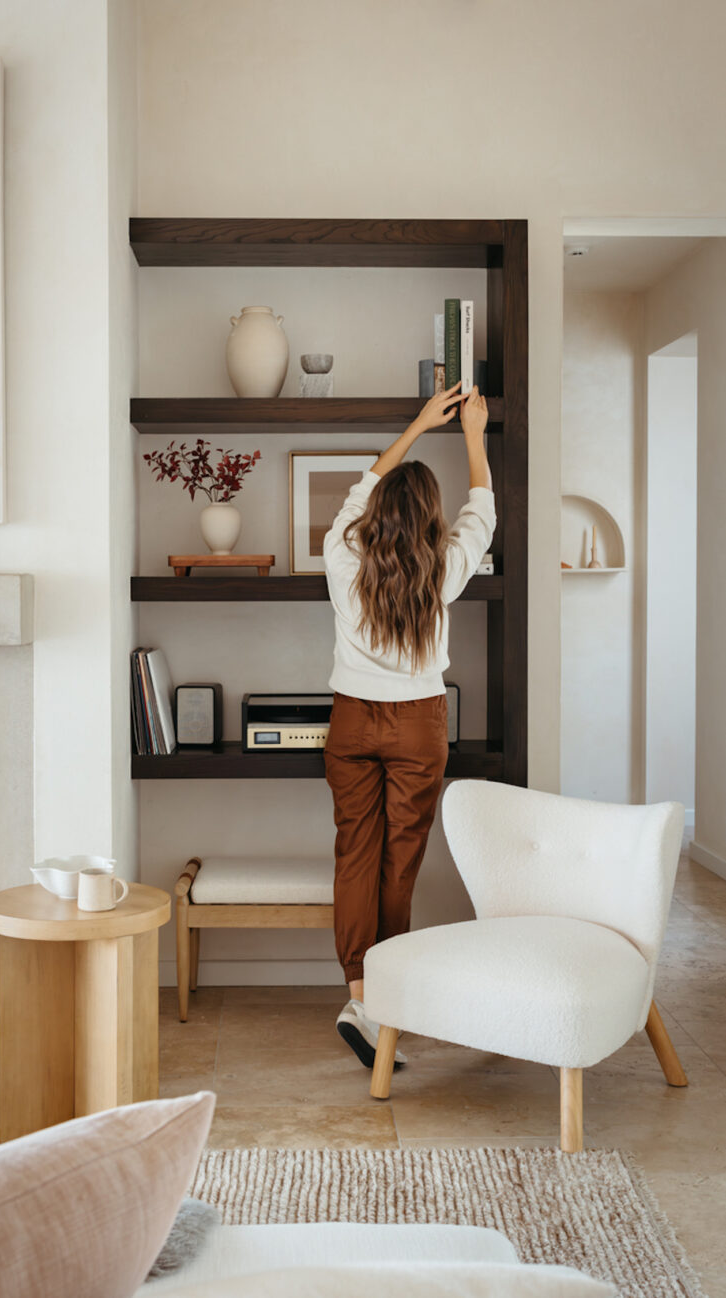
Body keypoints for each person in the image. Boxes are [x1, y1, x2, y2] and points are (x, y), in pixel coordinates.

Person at [323, 381, 495, 1069]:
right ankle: (378, 1002)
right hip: (419, 723)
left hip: (351, 723)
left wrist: (419, 425)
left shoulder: (342, 558)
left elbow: (359, 490)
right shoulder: (443, 570)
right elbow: (479, 510)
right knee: (401, 862)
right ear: (427, 517)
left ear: (378, 514)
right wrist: (474, 435)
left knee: (354, 855)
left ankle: (359, 993)